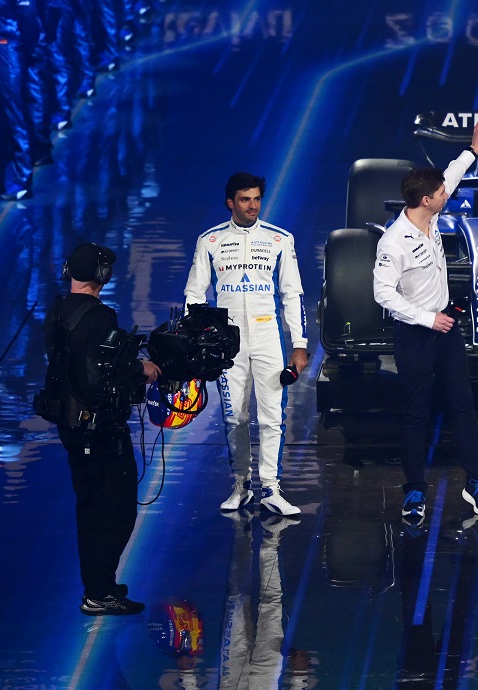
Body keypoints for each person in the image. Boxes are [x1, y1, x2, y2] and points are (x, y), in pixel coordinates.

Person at [372, 118, 478, 522]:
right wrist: (427, 319)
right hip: (416, 336)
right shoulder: (393, 242)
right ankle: (413, 491)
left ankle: (475, 481)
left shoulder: (432, 218)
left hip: (446, 330)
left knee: (463, 405)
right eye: (441, 193)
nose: (447, 193)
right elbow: (383, 294)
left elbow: (451, 175)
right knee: (415, 412)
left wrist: (473, 151)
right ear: (426, 199)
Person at [42, 242, 161, 615]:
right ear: (102, 276)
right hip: (99, 429)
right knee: (117, 510)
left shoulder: (57, 310)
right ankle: (99, 592)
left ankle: (99, 583)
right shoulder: (100, 317)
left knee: (89, 505)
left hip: (69, 425)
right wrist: (141, 369)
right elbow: (101, 374)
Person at [185, 172, 308, 516]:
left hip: (269, 338)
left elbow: (292, 294)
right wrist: (197, 342)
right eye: (245, 199)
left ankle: (271, 487)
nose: (252, 206)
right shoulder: (209, 241)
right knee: (235, 417)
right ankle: (241, 485)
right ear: (230, 202)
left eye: (256, 199)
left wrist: (299, 345)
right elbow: (195, 294)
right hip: (228, 344)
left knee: (272, 418)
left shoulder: (280, 239)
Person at [0, 0, 41, 201]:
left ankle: (22, 180)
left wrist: (24, 48)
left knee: (14, 117)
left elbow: (30, 20)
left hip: (7, 48)